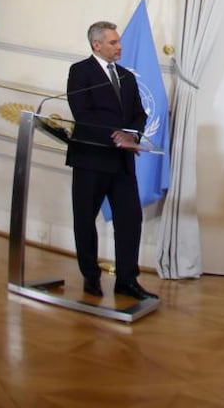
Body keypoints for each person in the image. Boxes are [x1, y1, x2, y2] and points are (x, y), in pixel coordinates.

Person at [66, 21, 158, 301]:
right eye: (113, 42)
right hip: (91, 159)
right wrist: (114, 135)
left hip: (121, 162)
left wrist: (131, 136)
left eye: (119, 42)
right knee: (85, 219)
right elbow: (83, 113)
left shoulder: (127, 76)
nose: (120, 47)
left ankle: (127, 281)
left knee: (130, 219)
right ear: (97, 45)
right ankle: (90, 277)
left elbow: (139, 114)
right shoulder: (80, 72)